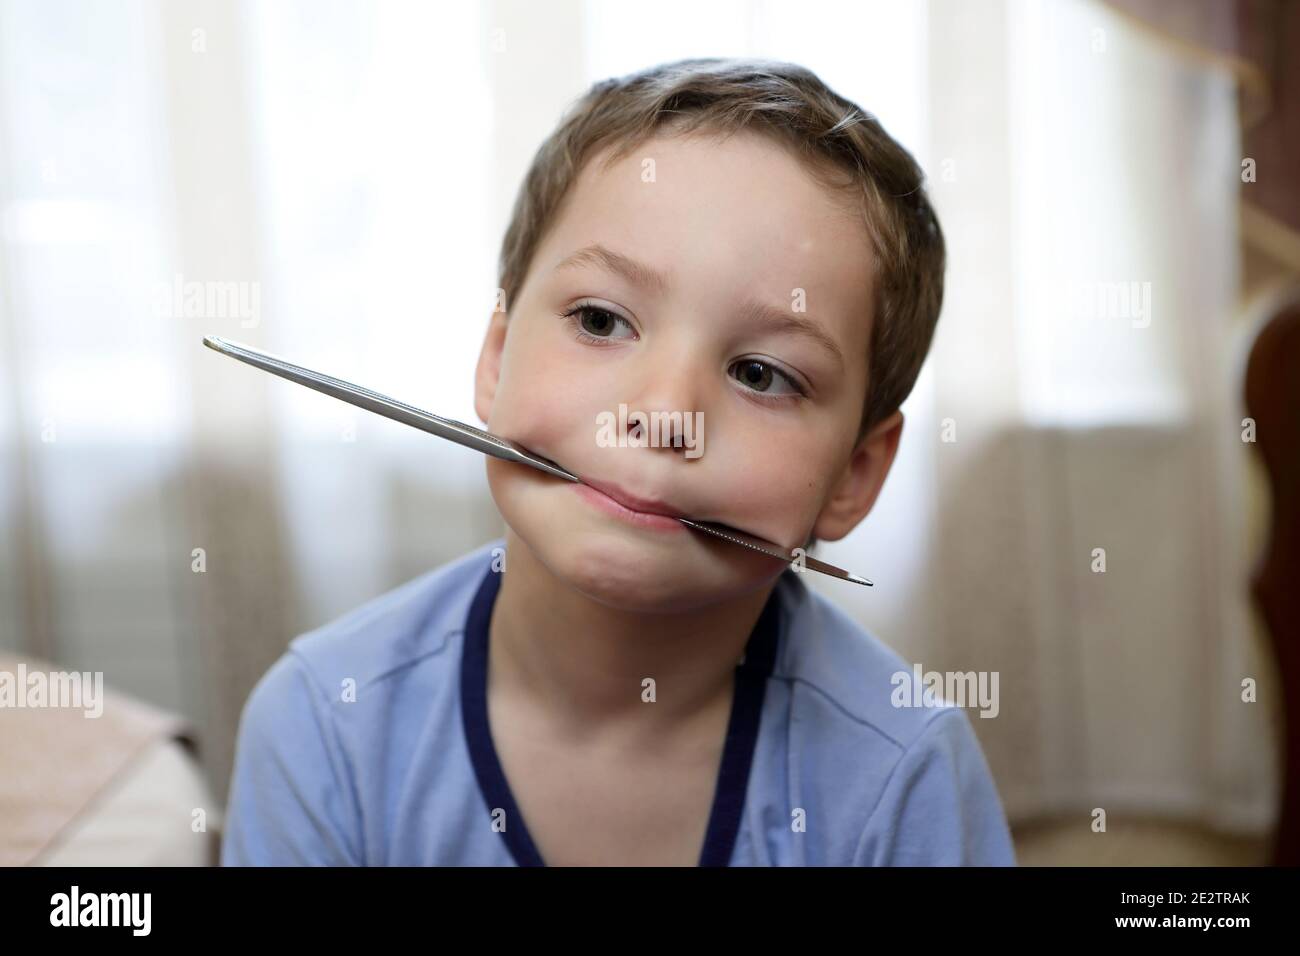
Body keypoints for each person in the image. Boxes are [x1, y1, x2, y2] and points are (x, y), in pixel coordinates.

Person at [221, 57, 1016, 866]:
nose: (664, 417)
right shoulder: (324, 727)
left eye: (760, 374)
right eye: (601, 321)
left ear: (854, 473)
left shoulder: (904, 773)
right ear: (496, 358)